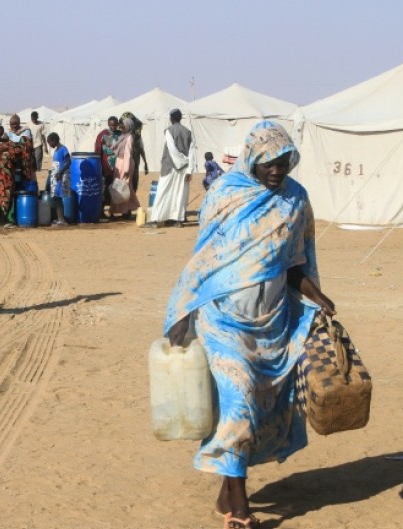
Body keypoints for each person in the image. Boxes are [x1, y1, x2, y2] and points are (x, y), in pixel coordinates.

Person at [164, 121, 336, 529]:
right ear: (252, 158)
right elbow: (206, 256)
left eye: (283, 162)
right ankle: (240, 510)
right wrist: (184, 310)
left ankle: (228, 487)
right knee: (239, 397)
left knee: (255, 410)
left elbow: (292, 264)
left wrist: (318, 297)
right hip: (223, 319)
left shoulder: (295, 200)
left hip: (272, 323)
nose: (277, 170)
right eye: (268, 163)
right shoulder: (225, 194)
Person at [147, 109, 195, 228]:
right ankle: (177, 220)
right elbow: (192, 152)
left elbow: (172, 149)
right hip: (184, 167)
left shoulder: (169, 131)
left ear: (171, 118)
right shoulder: (188, 132)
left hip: (170, 166)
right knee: (180, 193)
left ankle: (156, 220)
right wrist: (189, 168)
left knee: (163, 192)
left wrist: (180, 161)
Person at [107, 118, 141, 218]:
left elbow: (128, 154)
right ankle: (118, 210)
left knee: (125, 187)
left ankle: (126, 211)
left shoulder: (129, 137)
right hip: (119, 162)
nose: (121, 127)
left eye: (124, 126)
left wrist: (126, 169)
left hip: (126, 163)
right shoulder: (123, 136)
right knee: (118, 187)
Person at [95, 116, 122, 214]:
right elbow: (98, 150)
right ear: (108, 124)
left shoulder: (120, 134)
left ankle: (113, 210)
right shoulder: (103, 135)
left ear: (117, 124)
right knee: (104, 188)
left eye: (115, 125)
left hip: (118, 166)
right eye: (111, 125)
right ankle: (101, 211)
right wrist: (99, 166)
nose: (113, 127)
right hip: (105, 166)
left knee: (116, 188)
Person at [119, 111, 149, 190]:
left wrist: (145, 163)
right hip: (122, 165)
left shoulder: (136, 137)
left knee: (132, 184)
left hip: (133, 164)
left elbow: (141, 148)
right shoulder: (119, 135)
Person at [47, 132, 70, 226]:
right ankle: (60, 219)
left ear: (54, 140)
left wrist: (60, 172)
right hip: (56, 176)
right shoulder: (57, 150)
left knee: (57, 197)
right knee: (56, 197)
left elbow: (68, 162)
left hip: (60, 176)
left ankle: (62, 220)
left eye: (49, 143)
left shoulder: (63, 149)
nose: (49, 145)